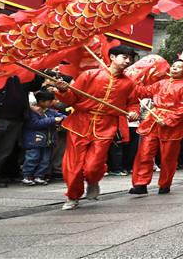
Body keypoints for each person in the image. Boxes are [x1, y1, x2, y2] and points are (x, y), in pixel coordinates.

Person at [53, 45, 140, 210]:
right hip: (80, 123)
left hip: (106, 126)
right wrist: (63, 91)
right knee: (73, 166)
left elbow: (133, 103)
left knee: (94, 165)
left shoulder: (129, 83)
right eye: (124, 57)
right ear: (112, 57)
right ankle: (72, 196)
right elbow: (72, 99)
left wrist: (134, 112)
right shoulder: (89, 75)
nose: (128, 61)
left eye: (130, 58)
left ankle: (93, 181)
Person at [129, 59, 183, 195]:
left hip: (172, 125)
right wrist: (133, 80)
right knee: (145, 153)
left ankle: (165, 184)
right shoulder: (161, 83)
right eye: (174, 66)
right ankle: (140, 184)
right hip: (153, 120)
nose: (174, 69)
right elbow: (143, 91)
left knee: (168, 157)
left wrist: (168, 120)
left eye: (179, 67)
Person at [21, 91, 65, 186]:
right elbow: (35, 124)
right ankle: (27, 176)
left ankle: (39, 176)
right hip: (34, 140)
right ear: (41, 101)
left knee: (45, 160)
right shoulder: (32, 112)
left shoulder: (50, 112)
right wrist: (53, 120)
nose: (52, 103)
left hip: (48, 141)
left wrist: (64, 118)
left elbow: (61, 116)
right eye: (49, 101)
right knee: (32, 158)